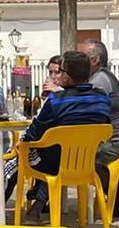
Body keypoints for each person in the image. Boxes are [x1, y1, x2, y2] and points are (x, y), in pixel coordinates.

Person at [6, 50, 111, 218]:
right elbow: (106, 125)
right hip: (86, 161)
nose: (57, 75)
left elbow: (36, 130)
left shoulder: (57, 100)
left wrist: (22, 142)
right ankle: (38, 203)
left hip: (52, 161)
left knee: (13, 161)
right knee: (52, 151)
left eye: (60, 71)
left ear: (67, 76)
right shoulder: (102, 98)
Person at [78, 38, 119, 217]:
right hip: (117, 140)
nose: (78, 61)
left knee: (81, 157)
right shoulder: (101, 77)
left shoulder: (100, 80)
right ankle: (116, 188)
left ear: (95, 60)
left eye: (82, 57)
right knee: (76, 154)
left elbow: (86, 110)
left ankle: (118, 190)